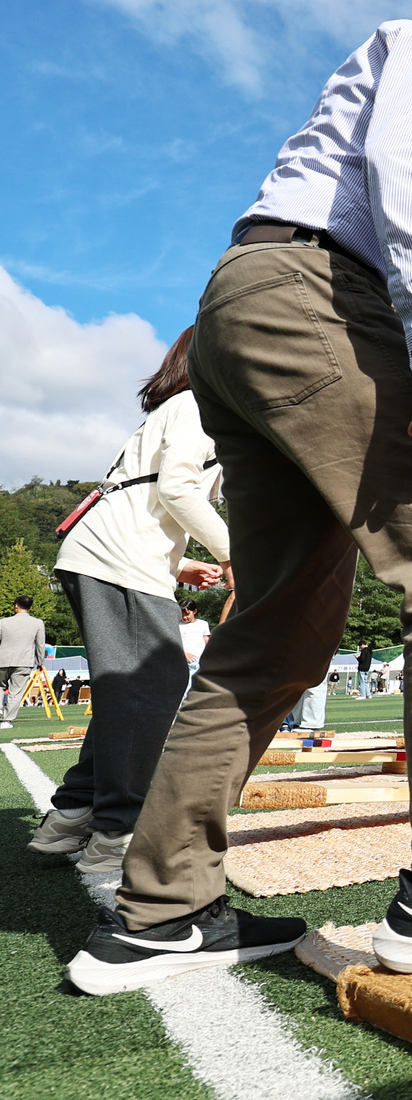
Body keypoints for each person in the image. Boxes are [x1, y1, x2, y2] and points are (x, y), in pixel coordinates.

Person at [66, 0, 412, 996]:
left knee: (278, 629)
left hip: (262, 307)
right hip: (317, 299)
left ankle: (163, 910)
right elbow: (402, 168)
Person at [28, 331, 229, 874]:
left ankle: (72, 815)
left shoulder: (177, 407)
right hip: (117, 561)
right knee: (148, 692)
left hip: (110, 555)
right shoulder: (201, 406)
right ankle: (116, 832)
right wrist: (235, 555)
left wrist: (179, 564)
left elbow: (145, 496)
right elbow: (178, 489)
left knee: (130, 693)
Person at [0, 595, 46, 728]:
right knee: (16, 691)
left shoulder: (3, 622)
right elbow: (40, 645)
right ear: (30, 607)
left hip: (2, 659)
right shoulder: (38, 623)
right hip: (24, 661)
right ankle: (7, 720)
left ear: (16, 606)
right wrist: (40, 662)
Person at [178, 600, 211, 673]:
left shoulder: (203, 624)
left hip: (200, 662)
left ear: (194, 612)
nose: (184, 617)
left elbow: (206, 640)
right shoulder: (178, 625)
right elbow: (176, 642)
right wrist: (184, 654)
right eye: (182, 615)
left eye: (187, 614)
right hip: (185, 662)